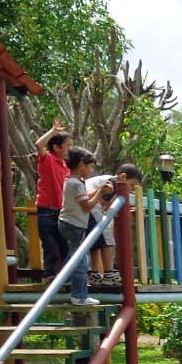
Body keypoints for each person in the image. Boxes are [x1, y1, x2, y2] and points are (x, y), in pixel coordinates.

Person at [58, 150, 113, 303]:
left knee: (73, 256)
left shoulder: (74, 181)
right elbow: (87, 206)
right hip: (73, 225)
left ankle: (61, 281)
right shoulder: (75, 183)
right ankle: (79, 296)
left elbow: (85, 197)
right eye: (90, 167)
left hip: (70, 223)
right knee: (81, 261)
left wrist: (98, 190)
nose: (92, 171)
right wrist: (101, 192)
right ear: (81, 164)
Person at [34, 120, 72, 276]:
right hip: (46, 211)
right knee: (51, 247)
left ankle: (64, 279)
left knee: (64, 247)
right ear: (56, 147)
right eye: (68, 145)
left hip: (62, 212)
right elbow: (38, 145)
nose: (71, 149)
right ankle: (50, 278)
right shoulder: (48, 159)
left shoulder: (67, 166)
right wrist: (53, 131)